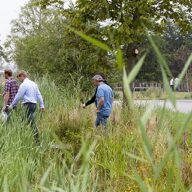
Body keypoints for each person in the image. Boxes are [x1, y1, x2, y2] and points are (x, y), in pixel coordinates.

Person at [8, 70, 45, 144]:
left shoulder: (24, 84)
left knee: (31, 123)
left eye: (19, 78)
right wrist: (41, 105)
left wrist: (12, 105)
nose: (19, 80)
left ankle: (37, 142)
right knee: (23, 121)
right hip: (34, 105)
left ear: (22, 76)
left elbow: (19, 96)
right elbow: (39, 95)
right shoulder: (34, 84)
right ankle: (23, 139)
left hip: (27, 105)